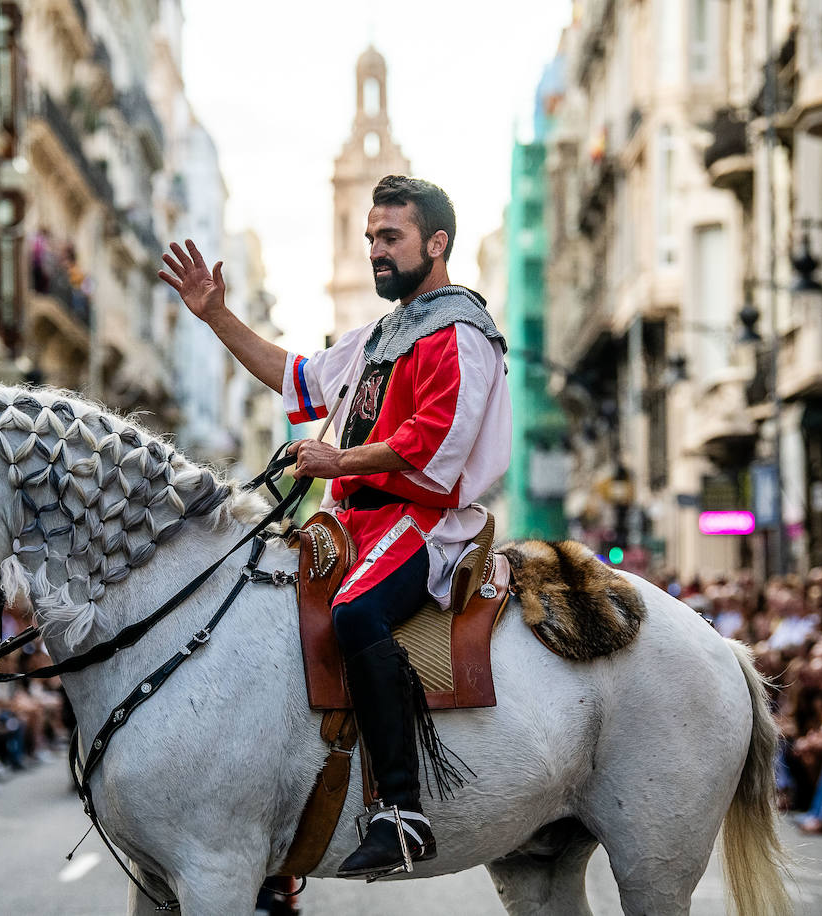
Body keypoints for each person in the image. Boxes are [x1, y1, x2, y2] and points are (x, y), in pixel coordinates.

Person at [159, 175, 510, 879]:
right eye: (371, 238)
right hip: (350, 519)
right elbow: (295, 378)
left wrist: (338, 457)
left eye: (391, 238)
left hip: (422, 521)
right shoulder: (380, 334)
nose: (376, 251)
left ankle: (402, 812)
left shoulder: (461, 334)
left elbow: (435, 439)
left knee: (354, 614)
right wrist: (216, 317)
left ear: (435, 244)